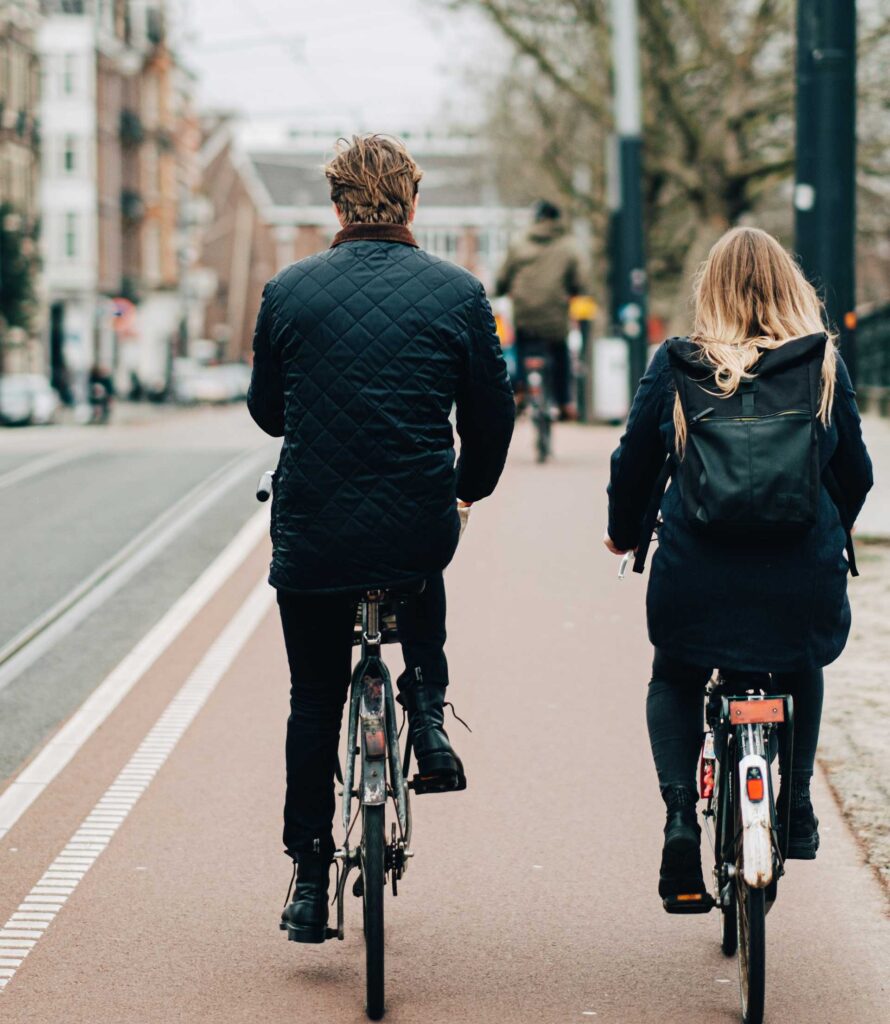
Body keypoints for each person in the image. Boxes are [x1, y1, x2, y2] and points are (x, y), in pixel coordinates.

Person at [247, 134, 515, 943]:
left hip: (315, 528)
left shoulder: (288, 291)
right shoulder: (460, 292)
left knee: (312, 699)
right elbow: (492, 418)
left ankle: (306, 872)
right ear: (413, 203)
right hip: (415, 517)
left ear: (336, 206)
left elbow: (268, 412)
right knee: (420, 561)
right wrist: (466, 490)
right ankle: (427, 714)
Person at [604, 227, 872, 908]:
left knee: (675, 676)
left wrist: (623, 534)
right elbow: (857, 476)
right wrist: (829, 528)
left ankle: (676, 825)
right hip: (798, 580)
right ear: (791, 289)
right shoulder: (821, 366)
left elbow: (634, 465)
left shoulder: (679, 364)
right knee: (800, 658)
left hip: (699, 578)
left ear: (710, 292)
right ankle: (798, 803)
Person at [495, 199, 586, 420]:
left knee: (520, 346)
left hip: (525, 315)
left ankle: (520, 390)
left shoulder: (518, 243)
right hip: (555, 317)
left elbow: (502, 279)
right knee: (560, 351)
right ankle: (564, 401)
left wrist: (500, 290)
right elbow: (580, 281)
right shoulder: (568, 245)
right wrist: (574, 292)